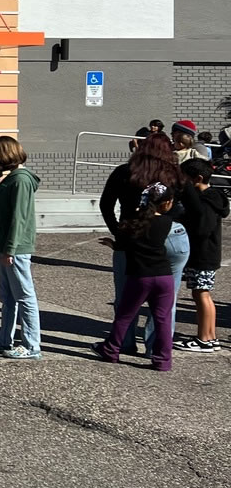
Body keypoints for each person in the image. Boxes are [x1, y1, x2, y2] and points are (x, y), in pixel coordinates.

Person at [99, 131, 186, 355]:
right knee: (166, 301)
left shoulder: (124, 172)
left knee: (126, 296)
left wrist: (118, 231)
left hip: (133, 233)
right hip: (171, 232)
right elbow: (188, 206)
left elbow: (106, 204)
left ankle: (123, 343)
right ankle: (157, 350)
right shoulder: (175, 173)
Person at [94, 183, 179, 371]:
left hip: (140, 276)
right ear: (165, 203)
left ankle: (111, 349)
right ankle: (163, 360)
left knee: (125, 315)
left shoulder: (132, 223)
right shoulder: (166, 222)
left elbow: (125, 244)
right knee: (162, 319)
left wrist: (113, 245)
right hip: (164, 276)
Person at [0, 136, 42, 360]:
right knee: (8, 297)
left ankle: (31, 345)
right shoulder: (15, 178)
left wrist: (9, 248)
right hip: (9, 248)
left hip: (15, 249)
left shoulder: (20, 180)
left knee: (24, 297)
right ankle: (4, 340)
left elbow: (19, 218)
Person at [174, 157, 226, 353]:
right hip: (208, 254)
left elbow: (203, 227)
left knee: (201, 294)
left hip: (203, 254)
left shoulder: (206, 201)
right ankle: (210, 337)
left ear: (198, 178)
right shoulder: (213, 197)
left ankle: (203, 338)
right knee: (204, 294)